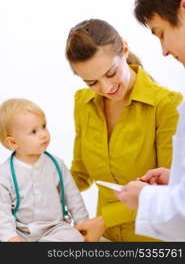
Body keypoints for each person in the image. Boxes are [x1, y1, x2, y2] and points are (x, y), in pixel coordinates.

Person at [65, 18, 183, 242]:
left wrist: (105, 220)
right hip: (104, 238)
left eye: (111, 73)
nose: (106, 88)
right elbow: (80, 173)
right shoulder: (83, 103)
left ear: (124, 49)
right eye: (92, 82)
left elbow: (171, 193)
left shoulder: (167, 105)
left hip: (152, 241)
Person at [115, 0, 185, 241]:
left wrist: (145, 197)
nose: (164, 51)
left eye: (161, 33)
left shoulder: (165, 102)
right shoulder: (82, 104)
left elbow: (181, 215)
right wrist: (177, 180)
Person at [0, 98, 89, 242]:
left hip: (54, 228)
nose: (43, 134)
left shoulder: (56, 164)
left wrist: (83, 223)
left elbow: (73, 197)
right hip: (20, 230)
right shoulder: (4, 174)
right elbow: (2, 211)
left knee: (74, 237)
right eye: (34, 131)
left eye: (43, 126)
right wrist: (12, 237)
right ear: (13, 142)